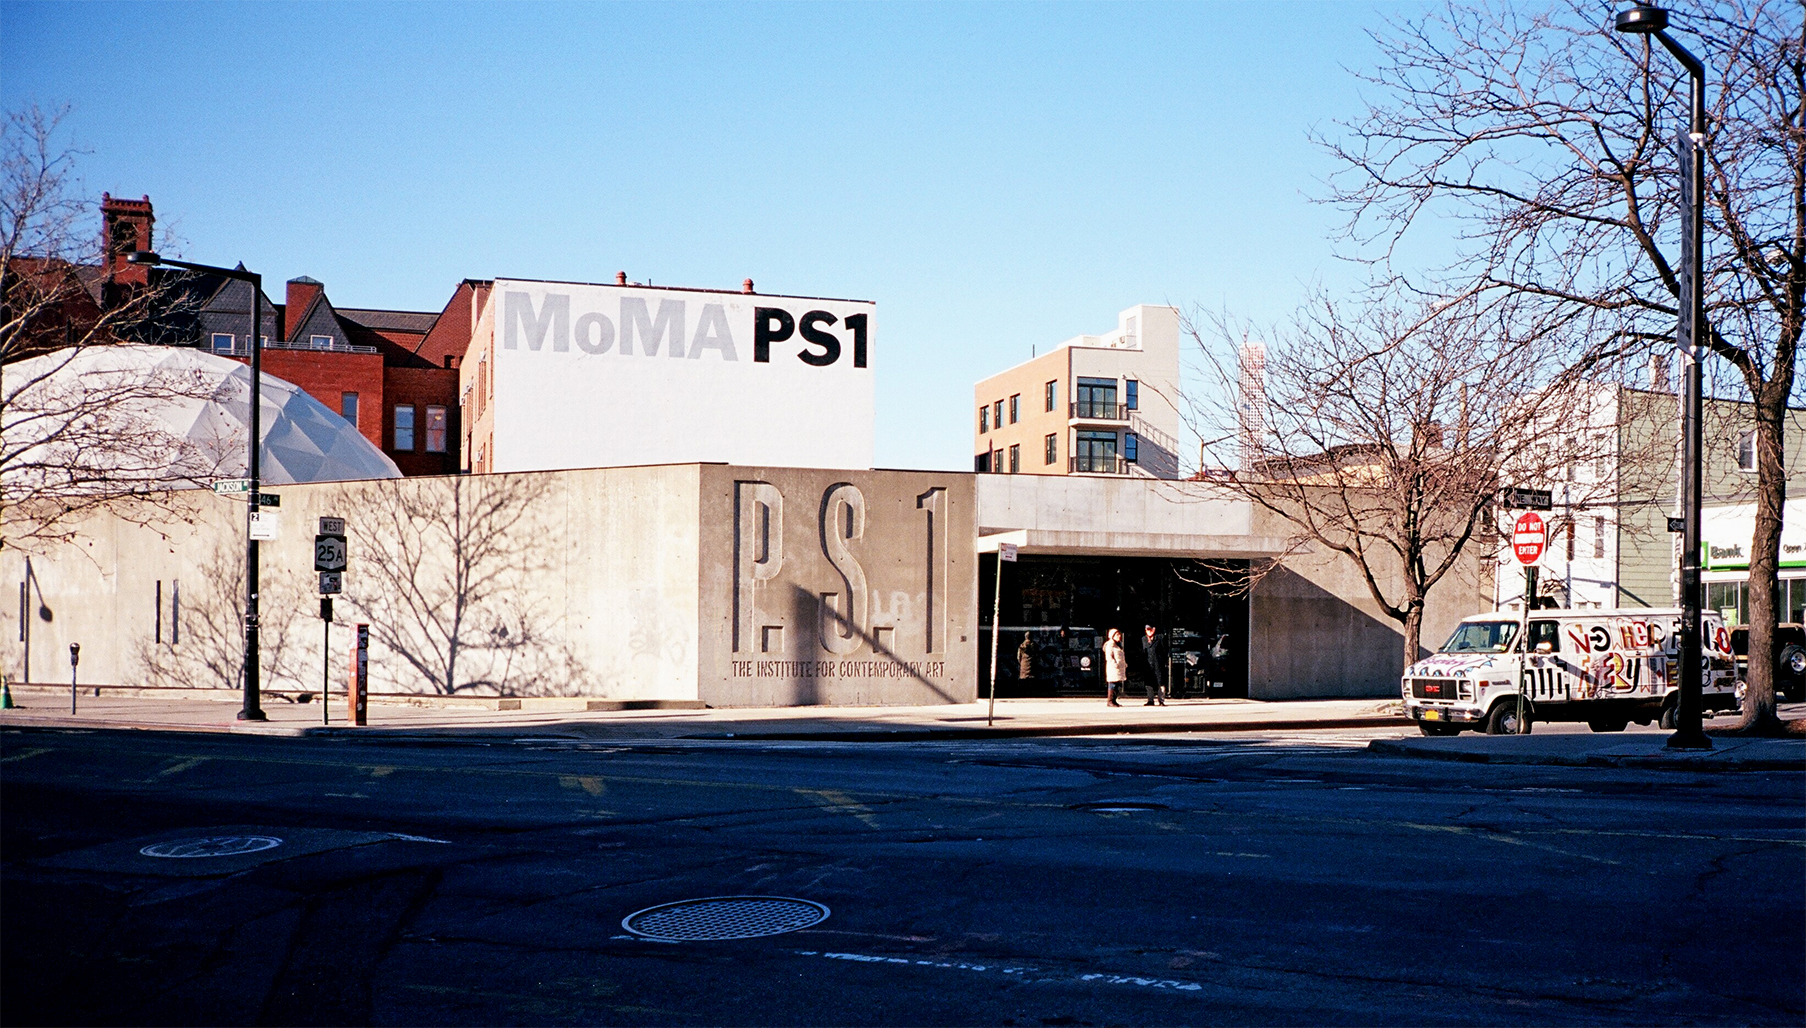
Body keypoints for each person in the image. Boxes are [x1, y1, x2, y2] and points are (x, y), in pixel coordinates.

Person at [1141, 624, 1168, 706]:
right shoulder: (1144, 639)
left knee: (1160, 682)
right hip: (1148, 664)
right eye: (1147, 629)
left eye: (1150, 629)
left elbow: (1164, 650)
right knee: (1149, 682)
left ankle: (1161, 700)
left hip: (1158, 663)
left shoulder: (1160, 638)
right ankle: (1150, 700)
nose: (1148, 631)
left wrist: (1164, 661)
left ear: (1154, 629)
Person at [1102, 628, 1127, 707]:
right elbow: (1109, 657)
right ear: (1112, 636)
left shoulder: (1118, 645)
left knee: (1117, 685)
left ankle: (1114, 700)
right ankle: (1110, 701)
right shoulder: (1110, 645)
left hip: (1119, 668)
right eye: (1117, 635)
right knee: (1112, 684)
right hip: (1114, 669)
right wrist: (1115, 665)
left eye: (1119, 634)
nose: (1119, 636)